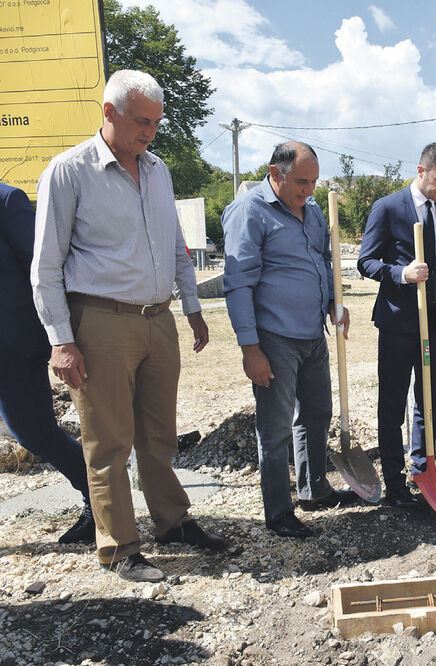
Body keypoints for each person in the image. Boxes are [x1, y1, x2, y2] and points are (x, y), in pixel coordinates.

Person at [32, 70, 227, 582]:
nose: (151, 132)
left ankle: (173, 522)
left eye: (157, 122)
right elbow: (46, 267)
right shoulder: (68, 172)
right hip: (100, 323)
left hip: (158, 320)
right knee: (109, 442)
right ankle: (120, 547)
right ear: (108, 112)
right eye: (142, 121)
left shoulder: (158, 170)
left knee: (159, 435)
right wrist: (62, 341)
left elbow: (176, 246)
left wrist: (192, 307)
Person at [222, 141, 353, 539]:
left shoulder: (312, 212)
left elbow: (322, 261)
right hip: (274, 338)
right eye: (301, 181)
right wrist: (250, 349)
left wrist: (333, 301)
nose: (308, 190)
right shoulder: (250, 212)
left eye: (314, 181)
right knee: (275, 428)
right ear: (274, 172)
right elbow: (238, 283)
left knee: (316, 414)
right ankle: (278, 512)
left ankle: (314, 489)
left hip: (313, 333)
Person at [357, 143, 436, 508]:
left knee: (428, 402)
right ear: (421, 171)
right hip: (398, 324)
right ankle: (394, 482)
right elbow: (366, 262)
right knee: (391, 405)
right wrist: (401, 273)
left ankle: (424, 468)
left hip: (433, 325)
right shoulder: (387, 208)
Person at [0, 182, 94, 544]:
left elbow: (44, 269)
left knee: (33, 432)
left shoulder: (8, 200)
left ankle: (100, 502)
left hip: (11, 344)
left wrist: (60, 337)